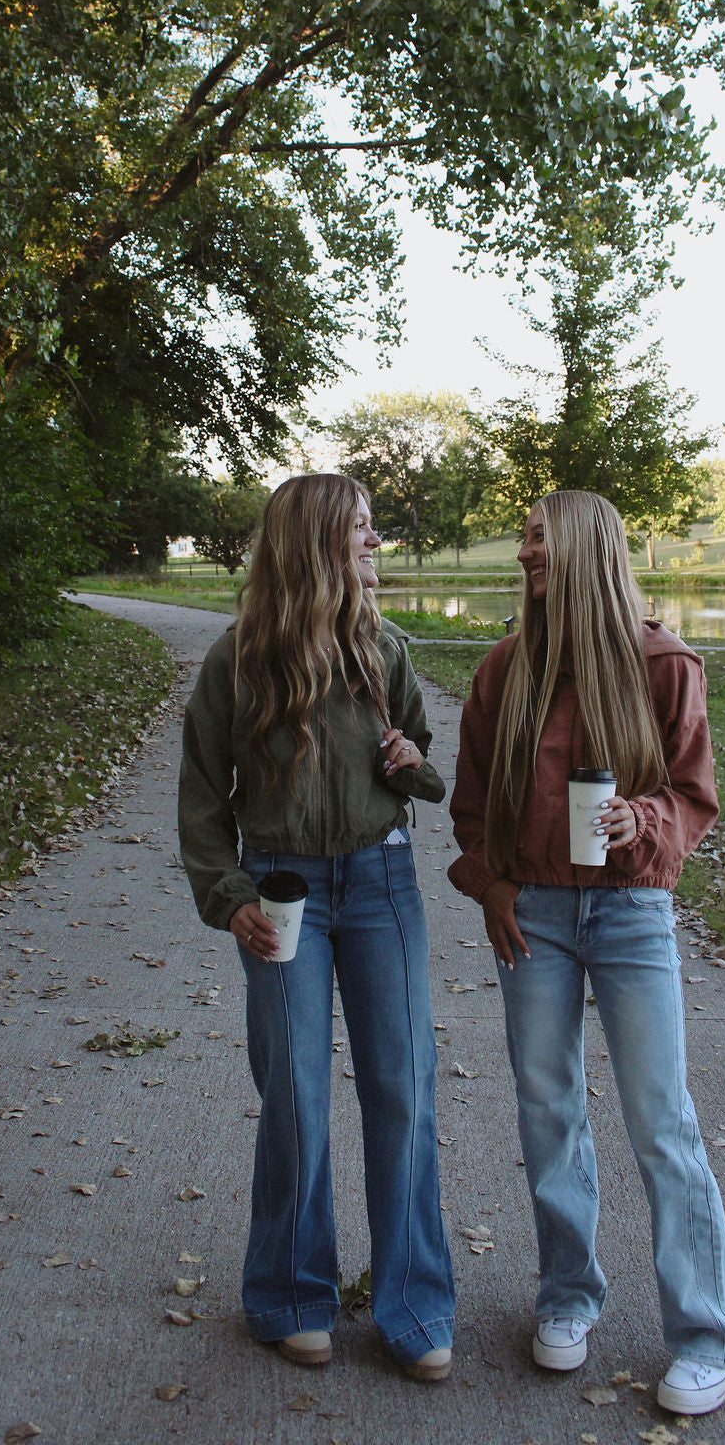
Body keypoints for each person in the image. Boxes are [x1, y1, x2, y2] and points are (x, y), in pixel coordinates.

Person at [448, 490, 725, 1416]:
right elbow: (469, 807)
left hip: (630, 914)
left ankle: (708, 1335)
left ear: (583, 550)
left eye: (539, 538)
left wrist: (640, 819)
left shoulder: (662, 664)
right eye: (526, 539)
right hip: (533, 916)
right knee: (548, 1114)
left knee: (662, 1123)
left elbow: (693, 798)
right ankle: (568, 1297)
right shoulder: (506, 670)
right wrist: (493, 885)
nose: (526, 552)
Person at [178, 473, 455, 1380]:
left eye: (375, 529)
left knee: (403, 1089)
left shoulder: (386, 648)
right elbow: (201, 799)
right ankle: (294, 1294)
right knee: (295, 1094)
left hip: (382, 885)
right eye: (362, 531)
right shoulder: (240, 659)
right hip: (284, 893)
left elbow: (422, 770)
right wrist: (230, 895)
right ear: (315, 544)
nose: (375, 544)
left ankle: (414, 1303)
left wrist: (412, 761)